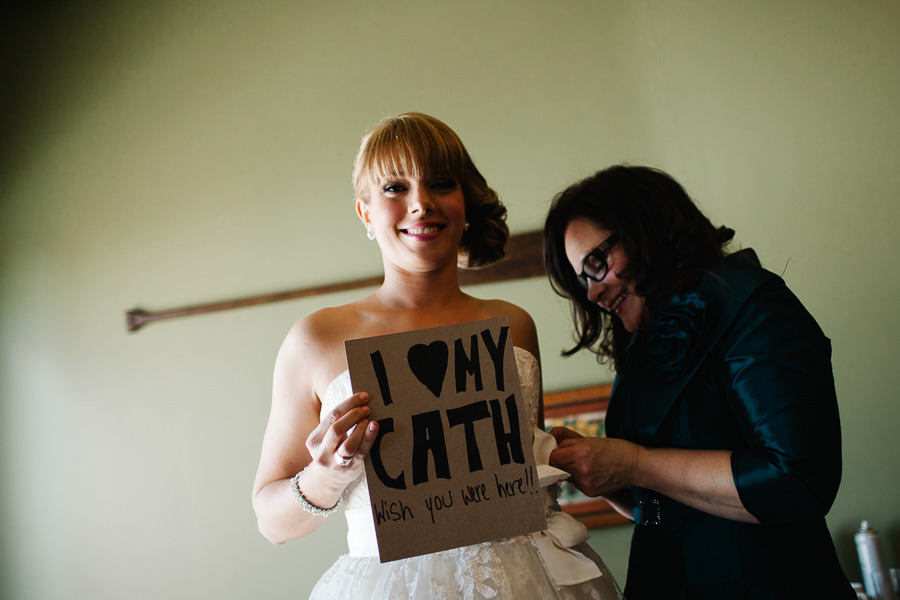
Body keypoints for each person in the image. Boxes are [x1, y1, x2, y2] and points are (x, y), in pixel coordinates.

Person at [251, 113, 623, 599]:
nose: (420, 204)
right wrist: (327, 474)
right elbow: (271, 523)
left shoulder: (513, 325)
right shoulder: (315, 340)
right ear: (365, 213)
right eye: (394, 188)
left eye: (441, 184)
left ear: (464, 202)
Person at [543, 165, 856, 599]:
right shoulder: (645, 344)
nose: (593, 293)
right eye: (582, 279)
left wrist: (636, 463)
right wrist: (603, 475)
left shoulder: (752, 307)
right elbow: (664, 507)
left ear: (646, 228)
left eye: (597, 263)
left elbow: (797, 480)